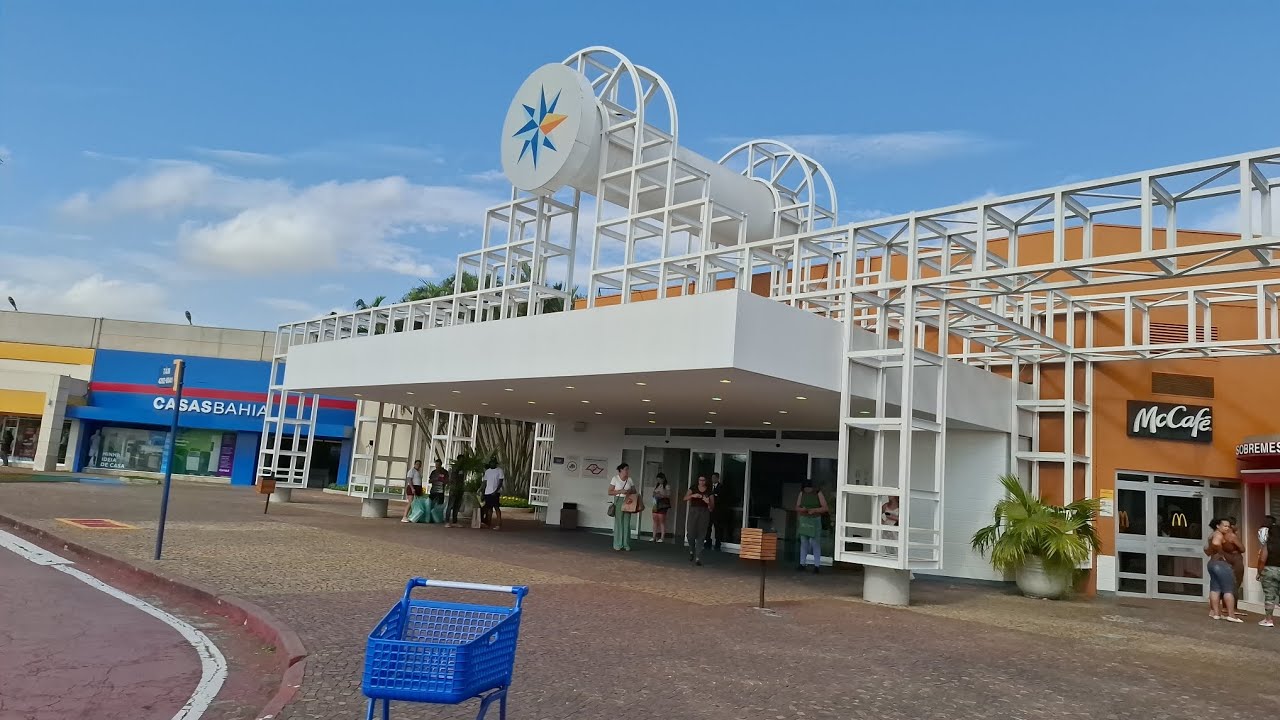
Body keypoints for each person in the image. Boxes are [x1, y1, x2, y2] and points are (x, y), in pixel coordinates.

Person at [1206, 518, 1243, 622]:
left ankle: (1216, 613)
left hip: (1212, 563)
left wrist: (1213, 552)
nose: (1227, 528)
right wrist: (1222, 554)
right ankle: (1231, 615)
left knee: (1215, 589)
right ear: (1218, 526)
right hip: (1221, 565)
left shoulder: (1212, 534)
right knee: (1228, 589)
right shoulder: (1218, 535)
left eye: (1228, 526)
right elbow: (1216, 543)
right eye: (1225, 526)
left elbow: (1206, 549)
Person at [795, 479, 828, 574]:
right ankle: (802, 563)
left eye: (809, 489)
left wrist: (815, 510)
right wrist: (802, 509)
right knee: (804, 542)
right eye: (805, 489)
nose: (807, 491)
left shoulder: (818, 493)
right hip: (804, 519)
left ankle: (817, 565)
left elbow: (825, 508)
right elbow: (796, 507)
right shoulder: (802, 494)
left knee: (815, 543)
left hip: (815, 520)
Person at [684, 475, 715, 566]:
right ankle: (691, 550)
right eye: (700, 480)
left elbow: (712, 507)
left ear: (706, 481)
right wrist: (693, 495)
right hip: (694, 512)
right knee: (690, 533)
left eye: (703, 480)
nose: (701, 482)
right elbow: (685, 498)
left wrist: (708, 502)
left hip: (704, 513)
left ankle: (698, 557)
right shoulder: (693, 488)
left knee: (701, 535)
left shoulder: (709, 491)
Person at [608, 463, 636, 551]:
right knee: (619, 522)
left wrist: (628, 491)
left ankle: (626, 544)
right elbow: (610, 492)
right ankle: (618, 543)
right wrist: (620, 491)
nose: (627, 471)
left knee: (626, 522)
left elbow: (634, 491)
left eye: (628, 469)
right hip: (619, 500)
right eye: (626, 469)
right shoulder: (615, 478)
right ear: (620, 470)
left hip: (628, 501)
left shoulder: (630, 479)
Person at [1259, 523, 1280, 627]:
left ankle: (1269, 620)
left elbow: (1262, 560)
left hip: (1270, 570)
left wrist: (1259, 572)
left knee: (1269, 596)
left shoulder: (1268, 544)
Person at [481, 458, 505, 530]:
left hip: (495, 492)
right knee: (489, 508)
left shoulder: (499, 471)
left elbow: (500, 482)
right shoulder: (487, 471)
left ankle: (499, 523)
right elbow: (485, 482)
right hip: (487, 492)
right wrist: (482, 491)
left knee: (496, 508)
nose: (492, 464)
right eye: (491, 463)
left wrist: (496, 491)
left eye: (493, 463)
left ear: (496, 464)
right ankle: (488, 523)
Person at [706, 472, 728, 550]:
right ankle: (708, 541)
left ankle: (718, 543)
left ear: (717, 478)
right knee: (708, 526)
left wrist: (715, 496)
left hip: (717, 511)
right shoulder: (709, 487)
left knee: (717, 527)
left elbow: (721, 498)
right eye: (712, 478)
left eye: (714, 478)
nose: (713, 479)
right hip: (709, 510)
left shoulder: (721, 487)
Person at [444, 456, 466, 528]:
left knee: (457, 506)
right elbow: (452, 479)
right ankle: (447, 521)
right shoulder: (454, 468)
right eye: (461, 460)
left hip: (460, 489)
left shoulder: (463, 469)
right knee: (450, 505)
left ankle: (455, 521)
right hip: (454, 489)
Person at [650, 473, 671, 543]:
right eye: (657, 480)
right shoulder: (657, 485)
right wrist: (655, 494)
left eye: (660, 479)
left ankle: (662, 537)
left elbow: (668, 495)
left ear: (663, 479)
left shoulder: (667, 486)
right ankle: (654, 536)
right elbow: (653, 493)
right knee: (655, 520)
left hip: (663, 504)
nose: (659, 481)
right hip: (656, 503)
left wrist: (661, 494)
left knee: (661, 520)